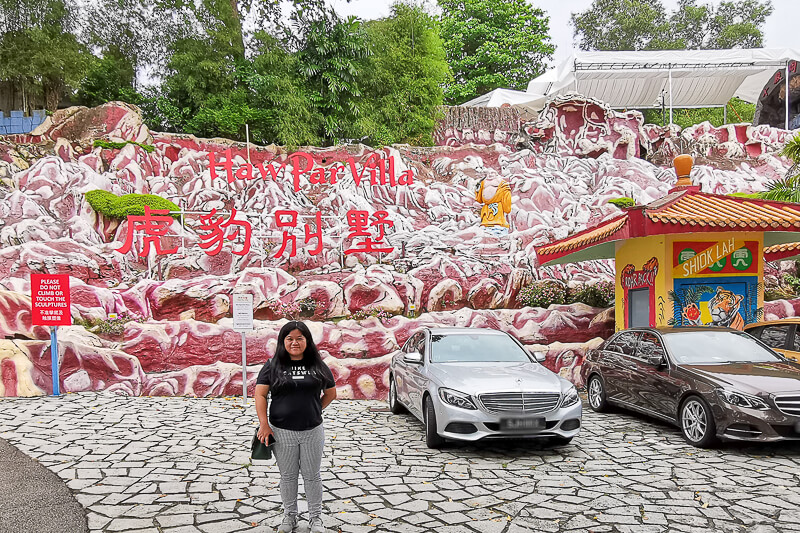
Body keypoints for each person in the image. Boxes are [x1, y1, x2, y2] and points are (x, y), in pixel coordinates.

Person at [255, 320, 337, 533]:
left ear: (307, 341)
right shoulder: (272, 365)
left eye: (300, 338)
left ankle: (316, 518)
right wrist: (264, 425)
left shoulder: (318, 365)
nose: (294, 343)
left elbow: (331, 393)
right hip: (281, 432)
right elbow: (260, 394)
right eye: (289, 338)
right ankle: (289, 517)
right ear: (282, 341)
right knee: (288, 476)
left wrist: (315, 409)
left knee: (312, 476)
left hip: (312, 431)